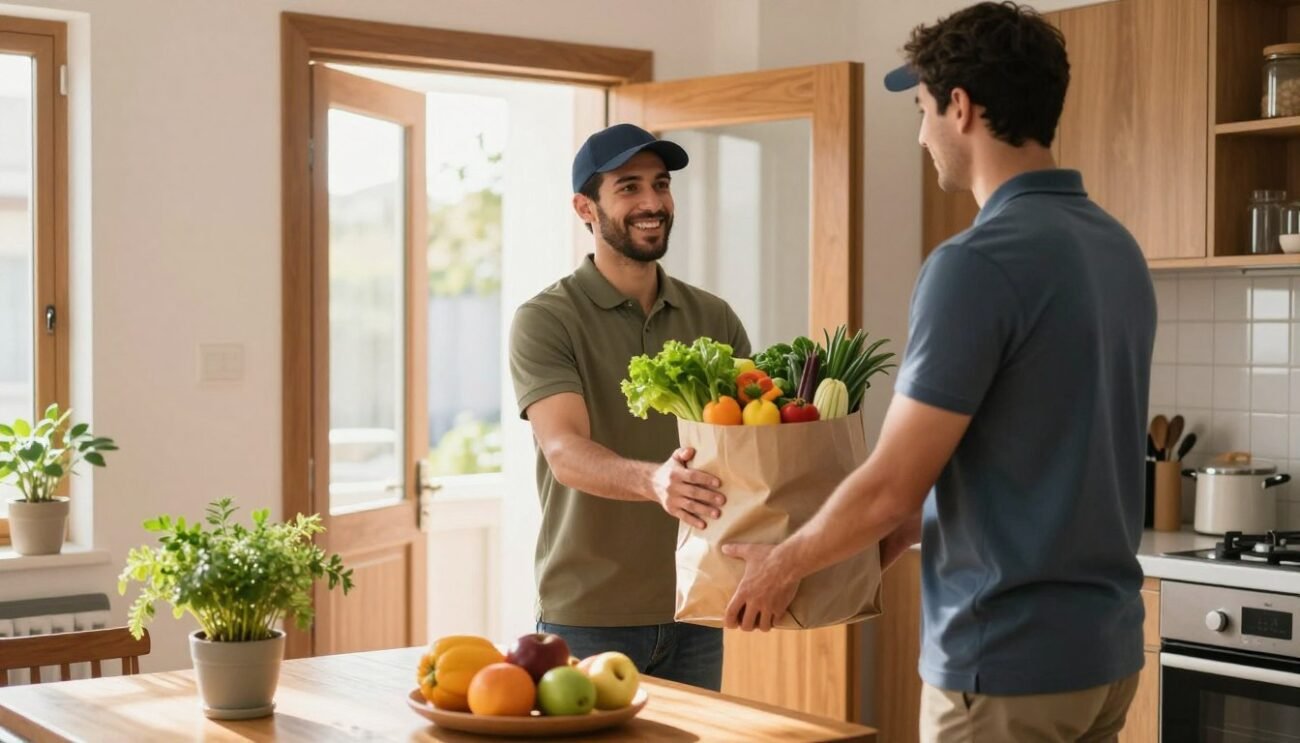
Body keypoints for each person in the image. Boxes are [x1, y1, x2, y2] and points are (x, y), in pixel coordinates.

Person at [721, 3, 1155, 740]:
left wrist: (783, 563)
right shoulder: (1116, 249)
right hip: (1104, 656)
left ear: (962, 107)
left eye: (922, 109)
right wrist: (908, 530)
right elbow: (1043, 446)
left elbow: (894, 479)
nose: (922, 134)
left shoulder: (975, 263)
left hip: (1004, 663)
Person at [508, 123, 751, 690]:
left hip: (696, 603)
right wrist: (655, 482)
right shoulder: (547, 319)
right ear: (584, 208)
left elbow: (748, 448)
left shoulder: (713, 318)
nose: (652, 203)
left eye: (661, 185)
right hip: (588, 612)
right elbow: (565, 451)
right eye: (628, 187)